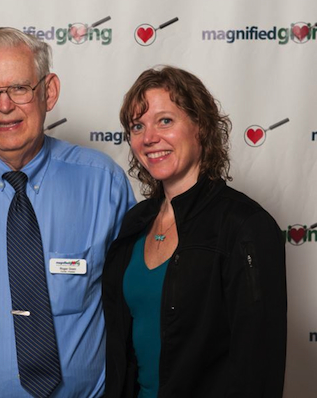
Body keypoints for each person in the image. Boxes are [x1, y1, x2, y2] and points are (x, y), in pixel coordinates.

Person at [0, 27, 136, 398]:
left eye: (20, 88)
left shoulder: (104, 182)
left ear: (48, 91)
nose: (4, 106)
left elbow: (132, 298)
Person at [102, 66, 287, 398]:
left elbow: (259, 368)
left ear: (200, 125)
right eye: (138, 126)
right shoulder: (136, 222)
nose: (149, 138)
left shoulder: (244, 225)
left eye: (165, 121)